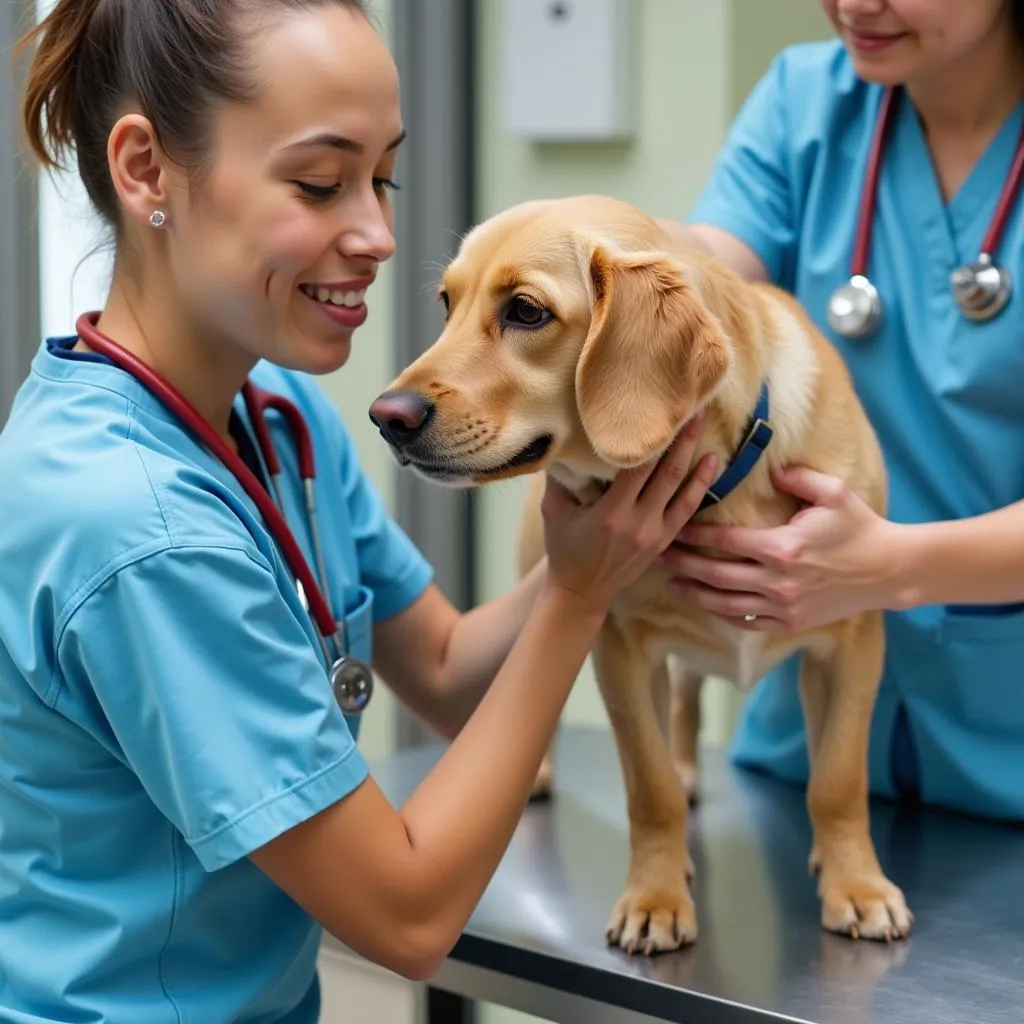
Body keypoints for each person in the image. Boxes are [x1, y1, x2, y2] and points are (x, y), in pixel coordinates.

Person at [0, 1, 720, 1020]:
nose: (380, 235)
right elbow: (409, 917)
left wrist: (599, 540)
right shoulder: (134, 526)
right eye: (320, 182)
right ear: (146, 170)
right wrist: (574, 601)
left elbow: (445, 673)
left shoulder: (277, 417)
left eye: (381, 178)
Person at [655, 0, 1024, 823]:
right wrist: (605, 253)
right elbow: (714, 272)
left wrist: (888, 566)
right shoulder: (806, 102)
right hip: (802, 752)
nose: (856, 5)